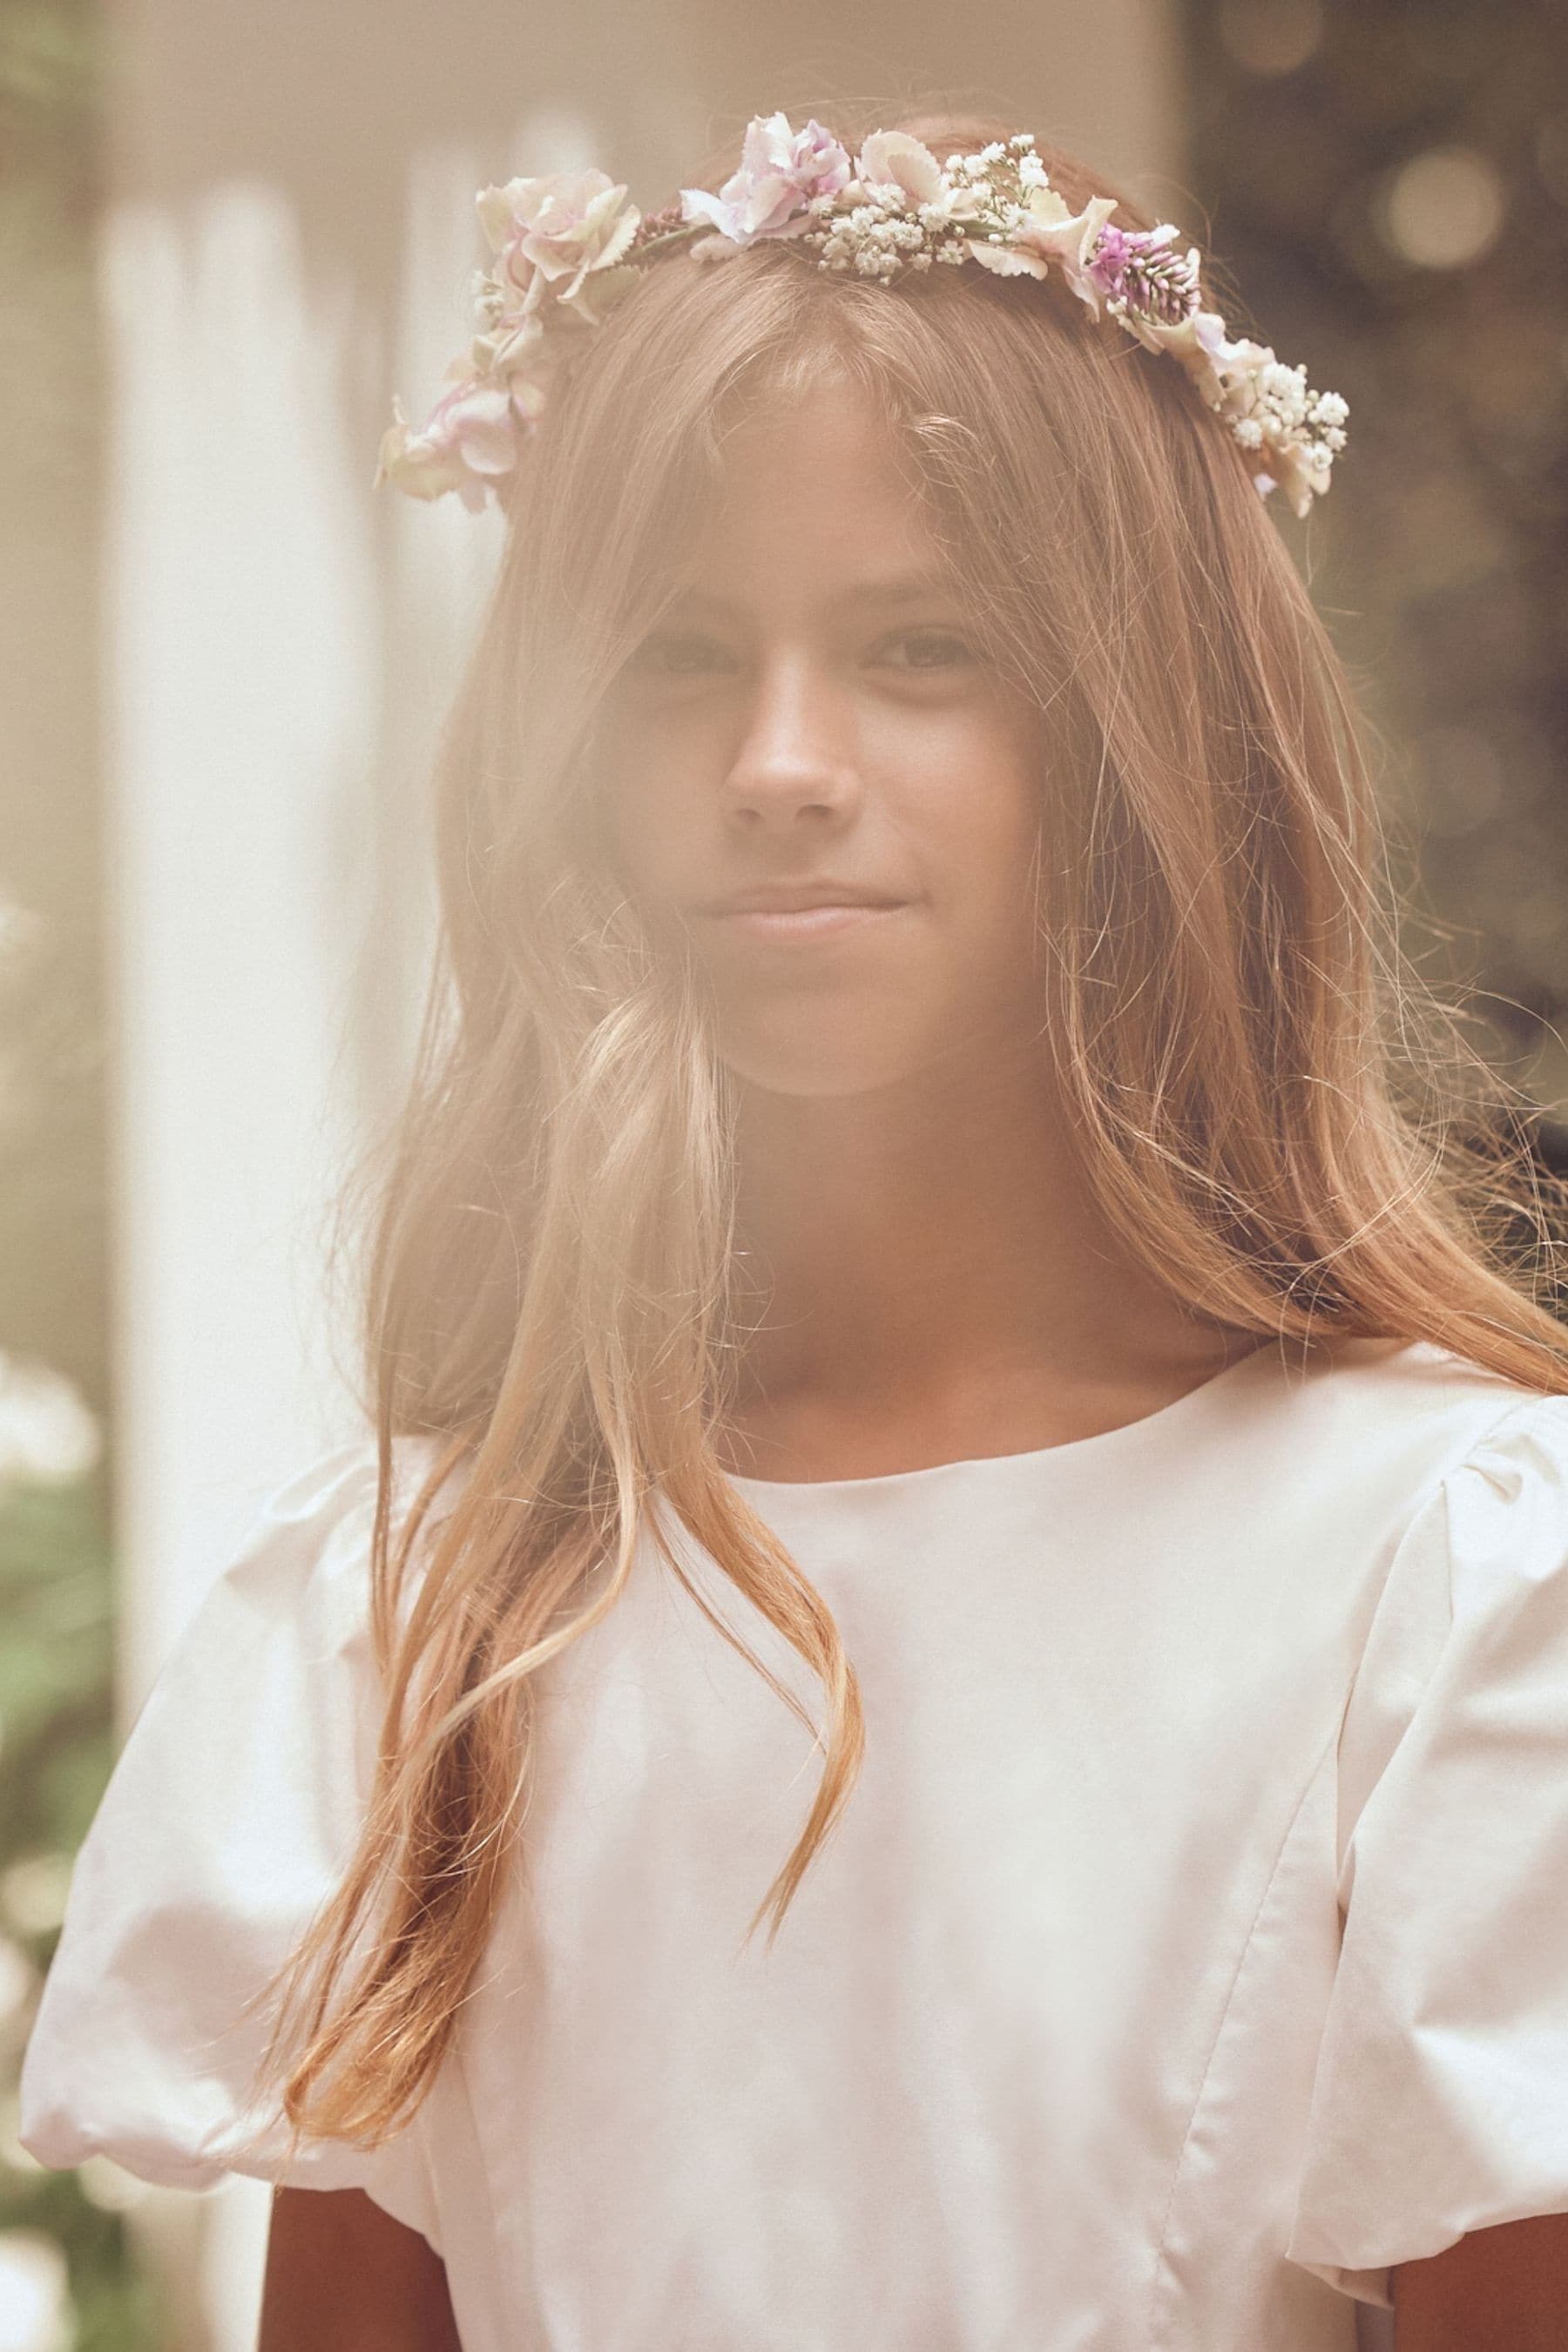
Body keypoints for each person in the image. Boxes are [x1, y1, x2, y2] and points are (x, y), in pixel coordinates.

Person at [17, 104, 1568, 2352]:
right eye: (675, 658)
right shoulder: (435, 1603)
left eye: (923, 648)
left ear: (1147, 727)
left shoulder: (1442, 1581)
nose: (778, 756)